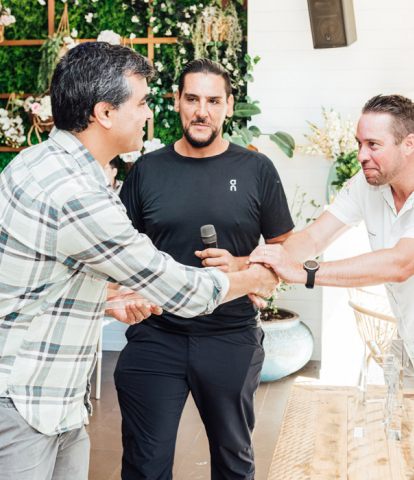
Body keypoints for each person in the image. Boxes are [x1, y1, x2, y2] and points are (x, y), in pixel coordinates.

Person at [0, 43, 278, 480]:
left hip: (50, 406)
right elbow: (183, 290)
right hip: (1, 410)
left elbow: (48, 279)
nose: (150, 114)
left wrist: (108, 301)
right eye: (143, 102)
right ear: (104, 113)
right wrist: (257, 276)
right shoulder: (74, 190)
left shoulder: (48, 163)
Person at [249, 94, 414, 393]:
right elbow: (314, 236)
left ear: (409, 144)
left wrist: (302, 272)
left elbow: (400, 263)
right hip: (413, 341)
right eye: (359, 143)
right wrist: (261, 271)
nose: (361, 154)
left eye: (373, 144)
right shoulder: (367, 183)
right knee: (404, 434)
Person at [116, 58, 294, 480]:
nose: (202, 110)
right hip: (156, 335)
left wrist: (244, 265)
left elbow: (285, 251)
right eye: (192, 98)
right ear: (177, 102)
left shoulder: (256, 170)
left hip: (230, 336)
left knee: (234, 462)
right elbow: (120, 250)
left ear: (229, 106)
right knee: (144, 465)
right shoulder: (146, 170)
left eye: (213, 100)